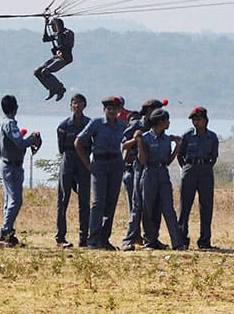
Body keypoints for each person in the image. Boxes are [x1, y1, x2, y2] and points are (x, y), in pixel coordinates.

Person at [75, 96, 127, 249]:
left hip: (116, 164)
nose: (111, 111)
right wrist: (87, 164)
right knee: (98, 203)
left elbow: (127, 144)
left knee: (111, 203)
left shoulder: (122, 126)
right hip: (99, 164)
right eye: (109, 109)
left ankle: (105, 239)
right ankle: (93, 239)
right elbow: (78, 142)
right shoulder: (96, 123)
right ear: (104, 110)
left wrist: (123, 161)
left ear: (119, 110)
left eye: (114, 109)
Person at [0, 94, 41, 248]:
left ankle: (8, 232)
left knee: (9, 201)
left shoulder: (2, 124)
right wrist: (32, 139)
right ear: (15, 108)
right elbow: (19, 143)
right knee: (16, 201)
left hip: (7, 163)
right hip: (12, 166)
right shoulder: (10, 124)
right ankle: (4, 231)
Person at [135, 108, 184, 250]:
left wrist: (177, 147)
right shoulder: (145, 138)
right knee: (148, 208)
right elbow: (143, 161)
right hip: (149, 173)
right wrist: (139, 144)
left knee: (168, 209)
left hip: (163, 173)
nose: (169, 123)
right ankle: (150, 240)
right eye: (167, 120)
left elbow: (167, 161)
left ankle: (177, 242)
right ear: (160, 122)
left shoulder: (166, 139)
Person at [120, 99, 163, 250]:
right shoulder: (136, 125)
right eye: (155, 110)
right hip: (134, 170)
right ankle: (132, 239)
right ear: (147, 110)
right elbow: (124, 145)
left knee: (151, 207)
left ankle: (151, 238)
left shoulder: (157, 125)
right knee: (136, 207)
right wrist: (136, 140)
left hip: (150, 171)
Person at [177, 106, 219, 250]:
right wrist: (186, 168)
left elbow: (214, 157)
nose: (196, 122)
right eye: (194, 120)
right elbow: (179, 154)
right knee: (185, 206)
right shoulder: (187, 136)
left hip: (206, 170)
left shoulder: (212, 137)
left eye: (199, 119)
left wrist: (205, 167)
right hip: (189, 169)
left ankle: (205, 241)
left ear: (206, 121)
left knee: (206, 206)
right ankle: (182, 239)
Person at [55, 93, 91, 248]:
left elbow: (91, 144)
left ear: (85, 105)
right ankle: (60, 237)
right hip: (68, 161)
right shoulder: (63, 126)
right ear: (70, 106)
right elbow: (61, 147)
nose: (77, 106)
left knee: (84, 200)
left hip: (83, 162)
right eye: (74, 103)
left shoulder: (90, 124)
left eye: (80, 103)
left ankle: (84, 237)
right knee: (63, 200)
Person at [35, 16, 74, 101]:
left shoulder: (68, 33)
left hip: (64, 58)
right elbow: (45, 39)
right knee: (37, 72)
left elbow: (65, 39)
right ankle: (51, 89)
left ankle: (60, 89)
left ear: (57, 25)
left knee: (45, 72)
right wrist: (45, 25)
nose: (52, 28)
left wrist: (57, 25)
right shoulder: (56, 34)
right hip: (56, 57)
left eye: (52, 26)